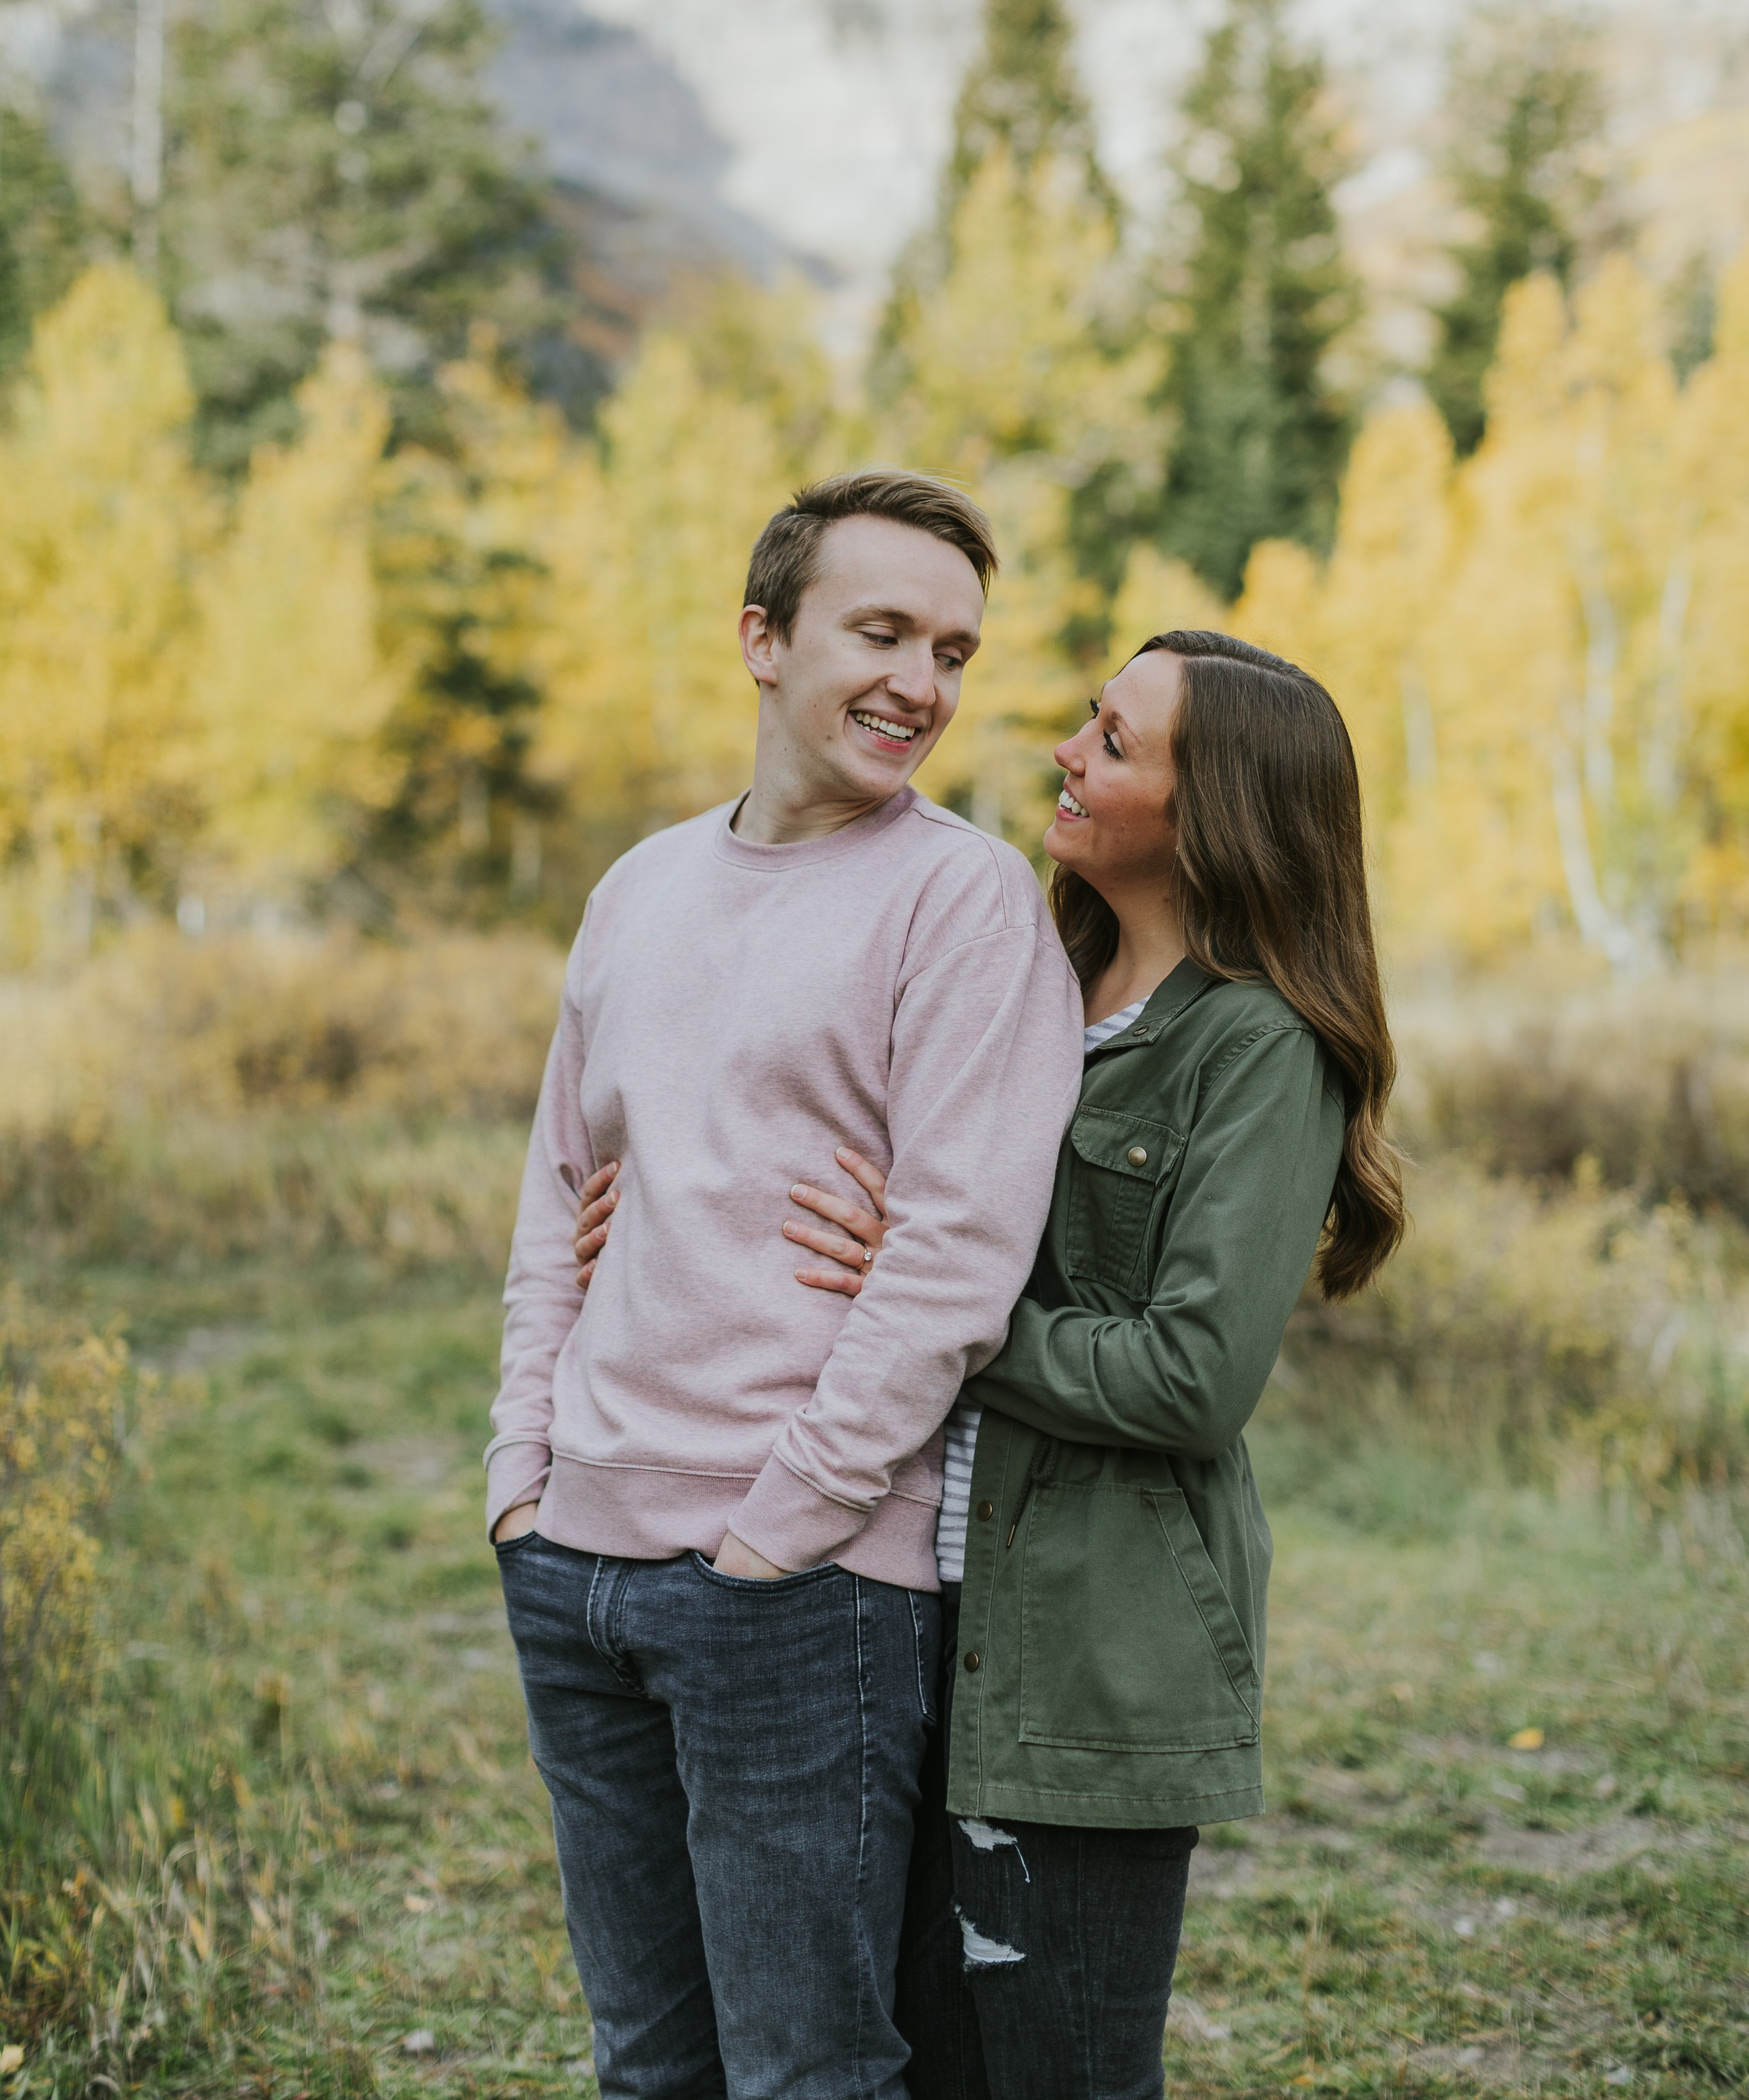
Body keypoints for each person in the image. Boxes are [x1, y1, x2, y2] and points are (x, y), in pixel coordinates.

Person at [581, 629, 1405, 2097]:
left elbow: (1190, 1377)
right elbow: (825, 1166)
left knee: (1054, 2072)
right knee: (904, 2059)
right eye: (1086, 719)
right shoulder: (1026, 976)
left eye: (1113, 742)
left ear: (1214, 812)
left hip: (1086, 1651)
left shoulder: (1259, 1049)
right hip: (897, 1608)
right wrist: (653, 1208)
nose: (1063, 754)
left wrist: (937, 1318)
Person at [487, 468, 1085, 2100]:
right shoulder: (638, 887)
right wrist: (521, 1479)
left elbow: (956, 1259)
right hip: (574, 1560)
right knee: (646, 2065)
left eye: (951, 652)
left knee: (805, 2072)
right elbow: (556, 1201)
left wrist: (783, 1527)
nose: (920, 684)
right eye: (880, 632)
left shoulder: (960, 901)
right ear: (763, 639)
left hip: (798, 1589)